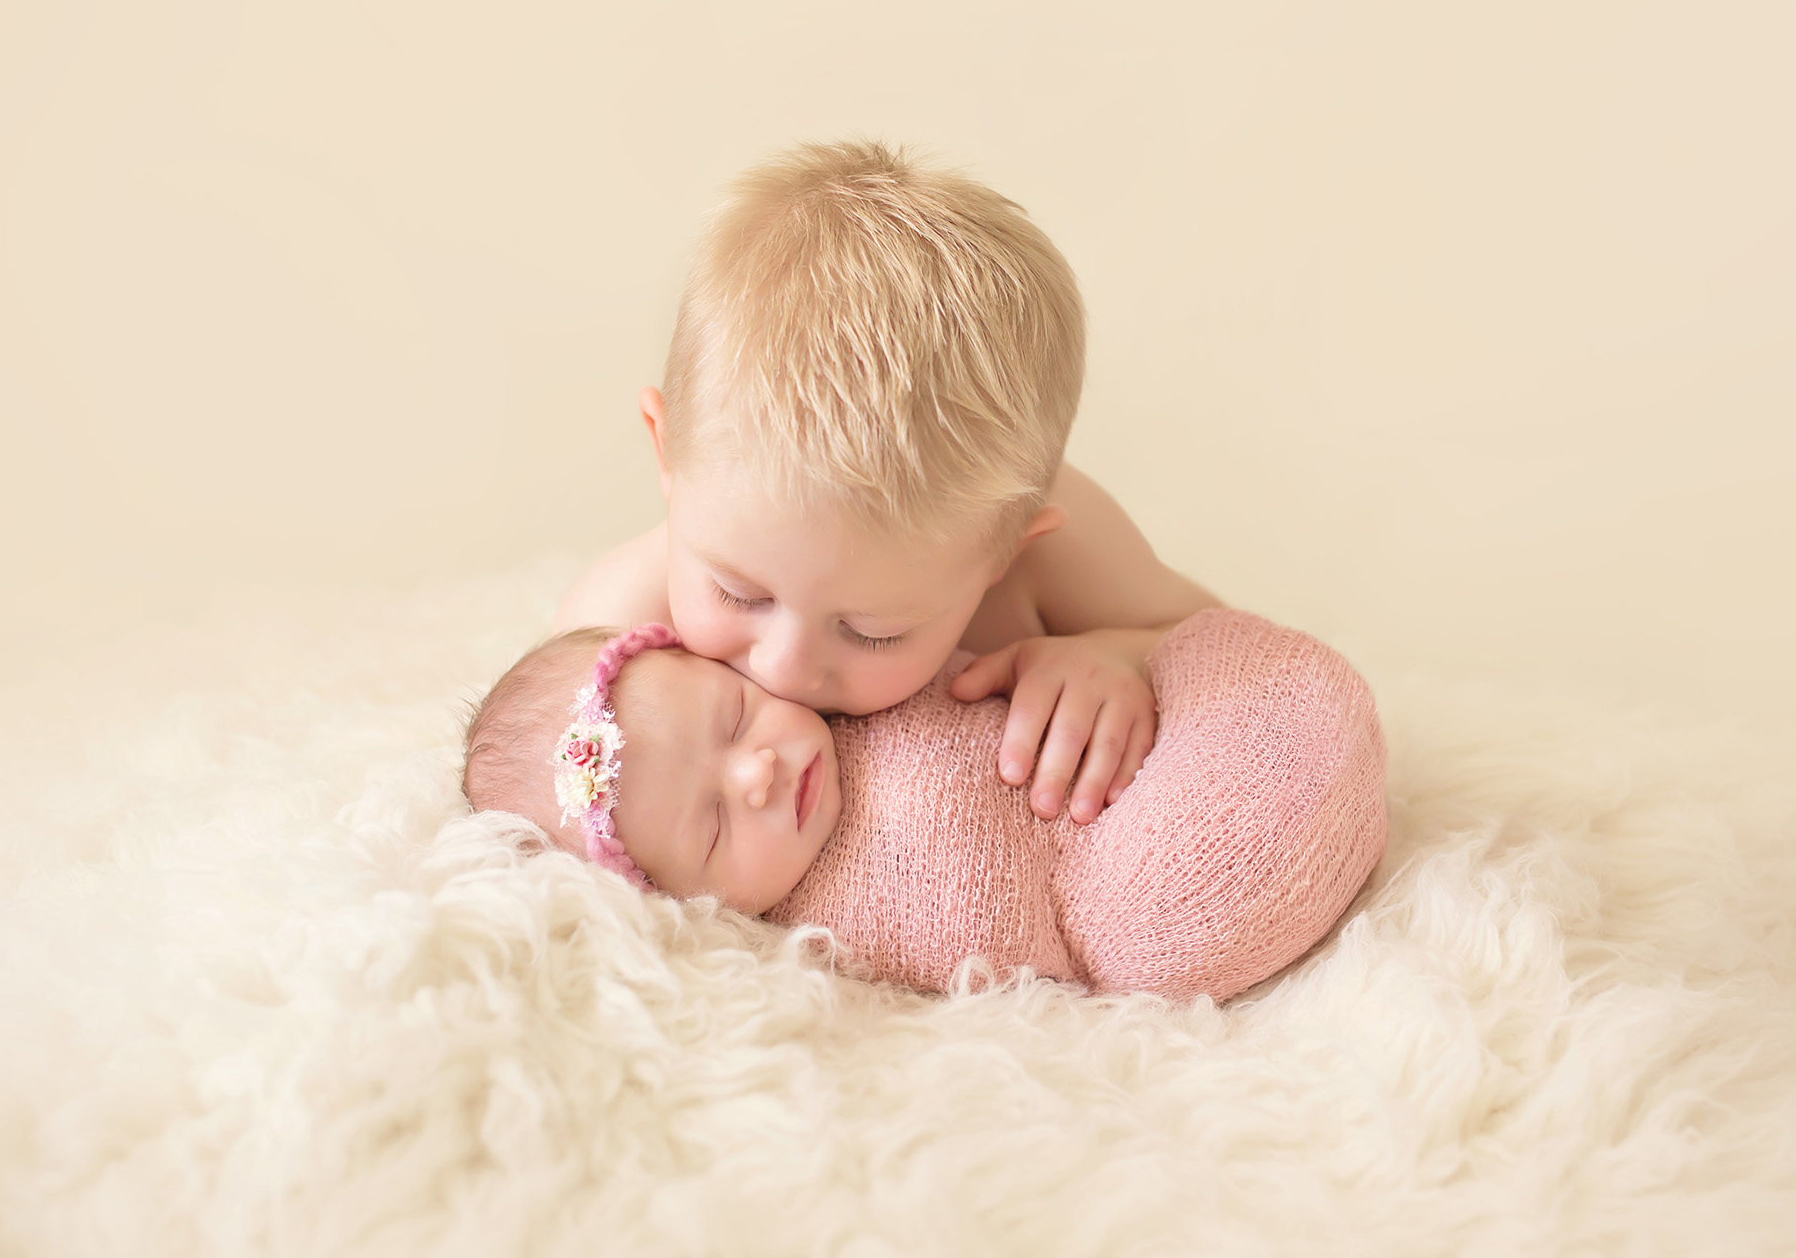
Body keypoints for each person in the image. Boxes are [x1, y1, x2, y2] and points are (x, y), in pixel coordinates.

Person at [555, 140, 1221, 827]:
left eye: (871, 632)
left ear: (1007, 551)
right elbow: (549, 791)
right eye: (738, 592)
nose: (786, 668)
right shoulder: (619, 635)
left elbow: (1212, 640)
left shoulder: (1048, 544)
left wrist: (1110, 657)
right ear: (666, 450)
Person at [461, 616, 1387, 1002]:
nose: (759, 773)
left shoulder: (858, 669)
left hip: (1165, 735)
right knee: (1153, 932)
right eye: (712, 826)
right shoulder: (817, 943)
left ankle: (1291, 740)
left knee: (1225, 669)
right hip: (1117, 883)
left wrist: (1087, 655)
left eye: (735, 713)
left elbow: (1035, 665)